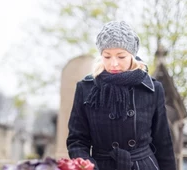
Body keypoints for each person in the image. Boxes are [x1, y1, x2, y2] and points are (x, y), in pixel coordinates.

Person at [66, 21, 176, 170]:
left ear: (132, 54)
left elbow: (163, 143)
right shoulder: (86, 88)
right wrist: (87, 167)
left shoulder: (152, 89)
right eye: (107, 56)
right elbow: (77, 141)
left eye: (121, 56)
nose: (114, 64)